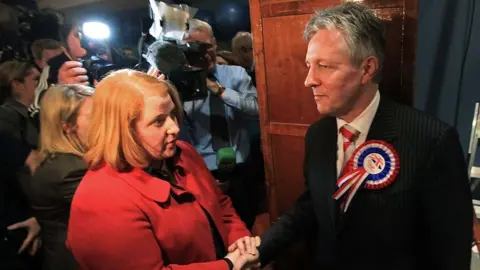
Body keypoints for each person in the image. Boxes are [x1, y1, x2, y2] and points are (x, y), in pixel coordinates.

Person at [232, 2, 473, 269]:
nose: (309, 80)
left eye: (324, 66)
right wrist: (261, 249)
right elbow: (313, 205)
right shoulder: (318, 135)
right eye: (309, 65)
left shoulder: (433, 140)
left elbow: (452, 250)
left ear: (367, 69)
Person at [67, 69, 260, 270]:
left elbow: (221, 204)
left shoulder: (184, 153)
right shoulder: (100, 200)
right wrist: (228, 265)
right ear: (124, 129)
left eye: (173, 114)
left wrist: (240, 240)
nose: (175, 127)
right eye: (159, 121)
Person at [183, 20, 259, 229]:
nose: (204, 53)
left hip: (240, 167)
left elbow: (257, 110)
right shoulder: (181, 83)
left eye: (207, 46)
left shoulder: (236, 75)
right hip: (202, 172)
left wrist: (221, 91)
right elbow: (182, 133)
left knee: (246, 222)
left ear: (215, 44)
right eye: (196, 48)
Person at [29, 84, 93, 270]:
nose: (104, 122)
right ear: (67, 126)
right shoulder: (69, 171)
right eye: (94, 116)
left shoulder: (59, 161)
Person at [0, 60, 42, 269]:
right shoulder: (7, 117)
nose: (40, 84)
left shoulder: (26, 117)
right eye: (35, 79)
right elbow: (19, 169)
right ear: (17, 84)